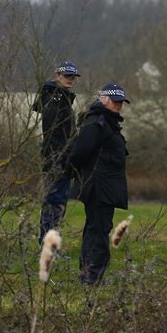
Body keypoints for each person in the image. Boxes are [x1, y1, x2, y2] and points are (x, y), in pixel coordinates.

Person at [68, 83, 130, 285]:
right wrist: (74, 174)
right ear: (103, 99)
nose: (118, 106)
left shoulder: (107, 122)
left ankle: (89, 274)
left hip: (105, 187)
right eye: (115, 101)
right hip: (98, 188)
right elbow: (79, 152)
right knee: (99, 231)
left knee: (97, 229)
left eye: (121, 102)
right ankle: (92, 277)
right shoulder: (96, 123)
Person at [33, 61, 80, 243]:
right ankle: (47, 244)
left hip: (60, 158)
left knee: (57, 203)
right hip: (56, 160)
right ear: (57, 76)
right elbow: (54, 134)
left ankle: (48, 242)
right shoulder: (54, 99)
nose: (71, 80)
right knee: (54, 203)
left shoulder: (61, 97)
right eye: (67, 76)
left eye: (73, 77)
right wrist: (63, 157)